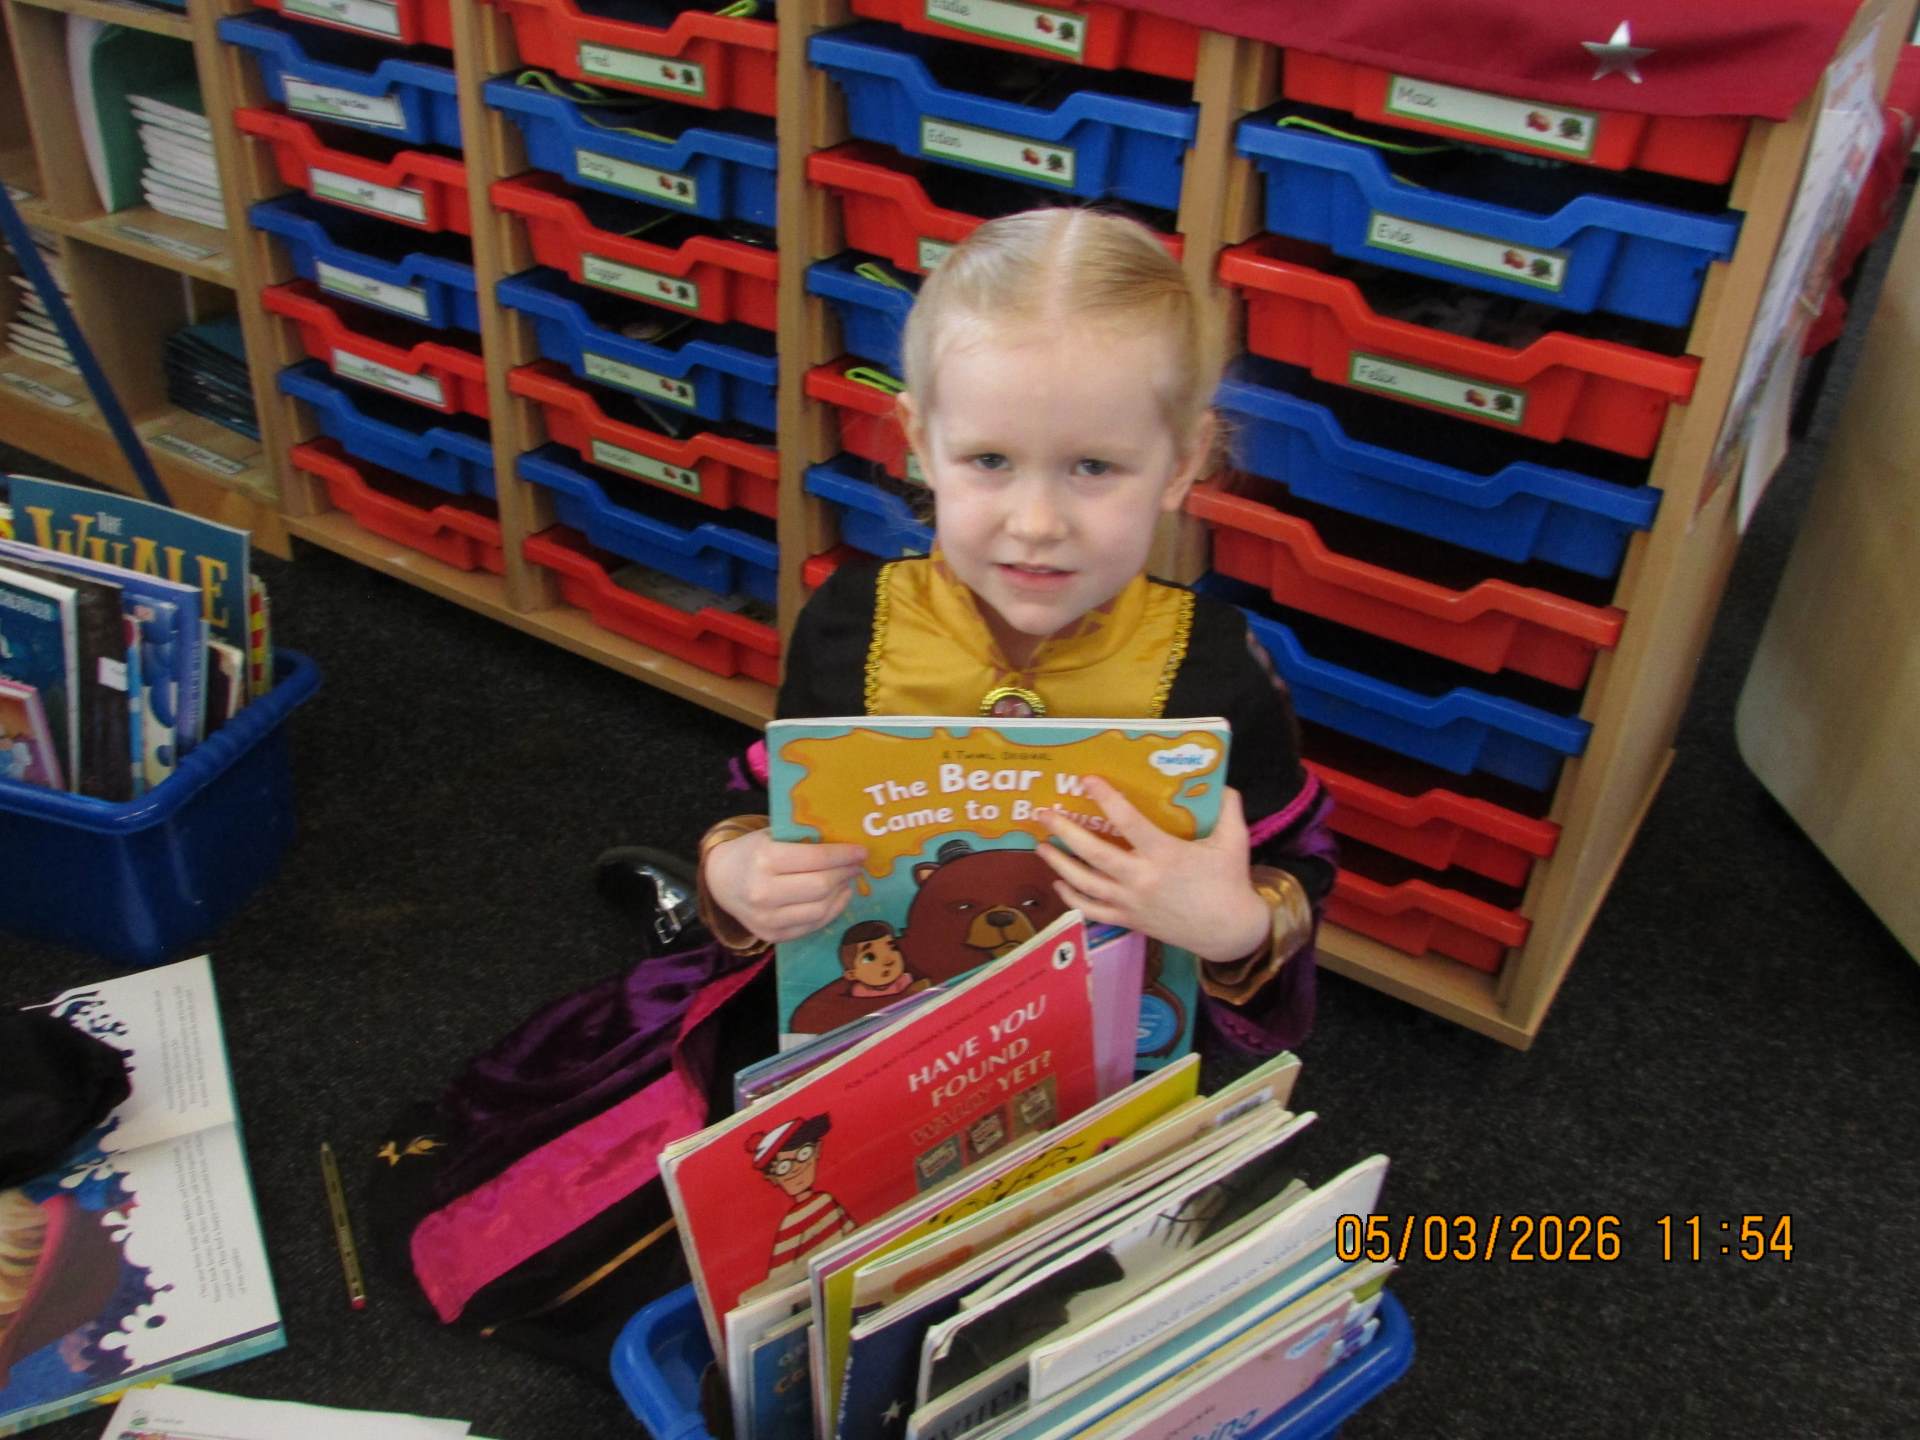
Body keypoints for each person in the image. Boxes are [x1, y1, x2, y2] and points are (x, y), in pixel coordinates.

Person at [699, 207, 1335, 1058]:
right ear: (922, 444)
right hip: (878, 1039)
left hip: (1114, 1046)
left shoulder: (1213, 668)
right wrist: (736, 875)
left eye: (1093, 466)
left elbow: (1292, 868)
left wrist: (1233, 927)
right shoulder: (852, 628)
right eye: (990, 460)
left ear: (1181, 464)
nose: (1036, 524)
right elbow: (766, 810)